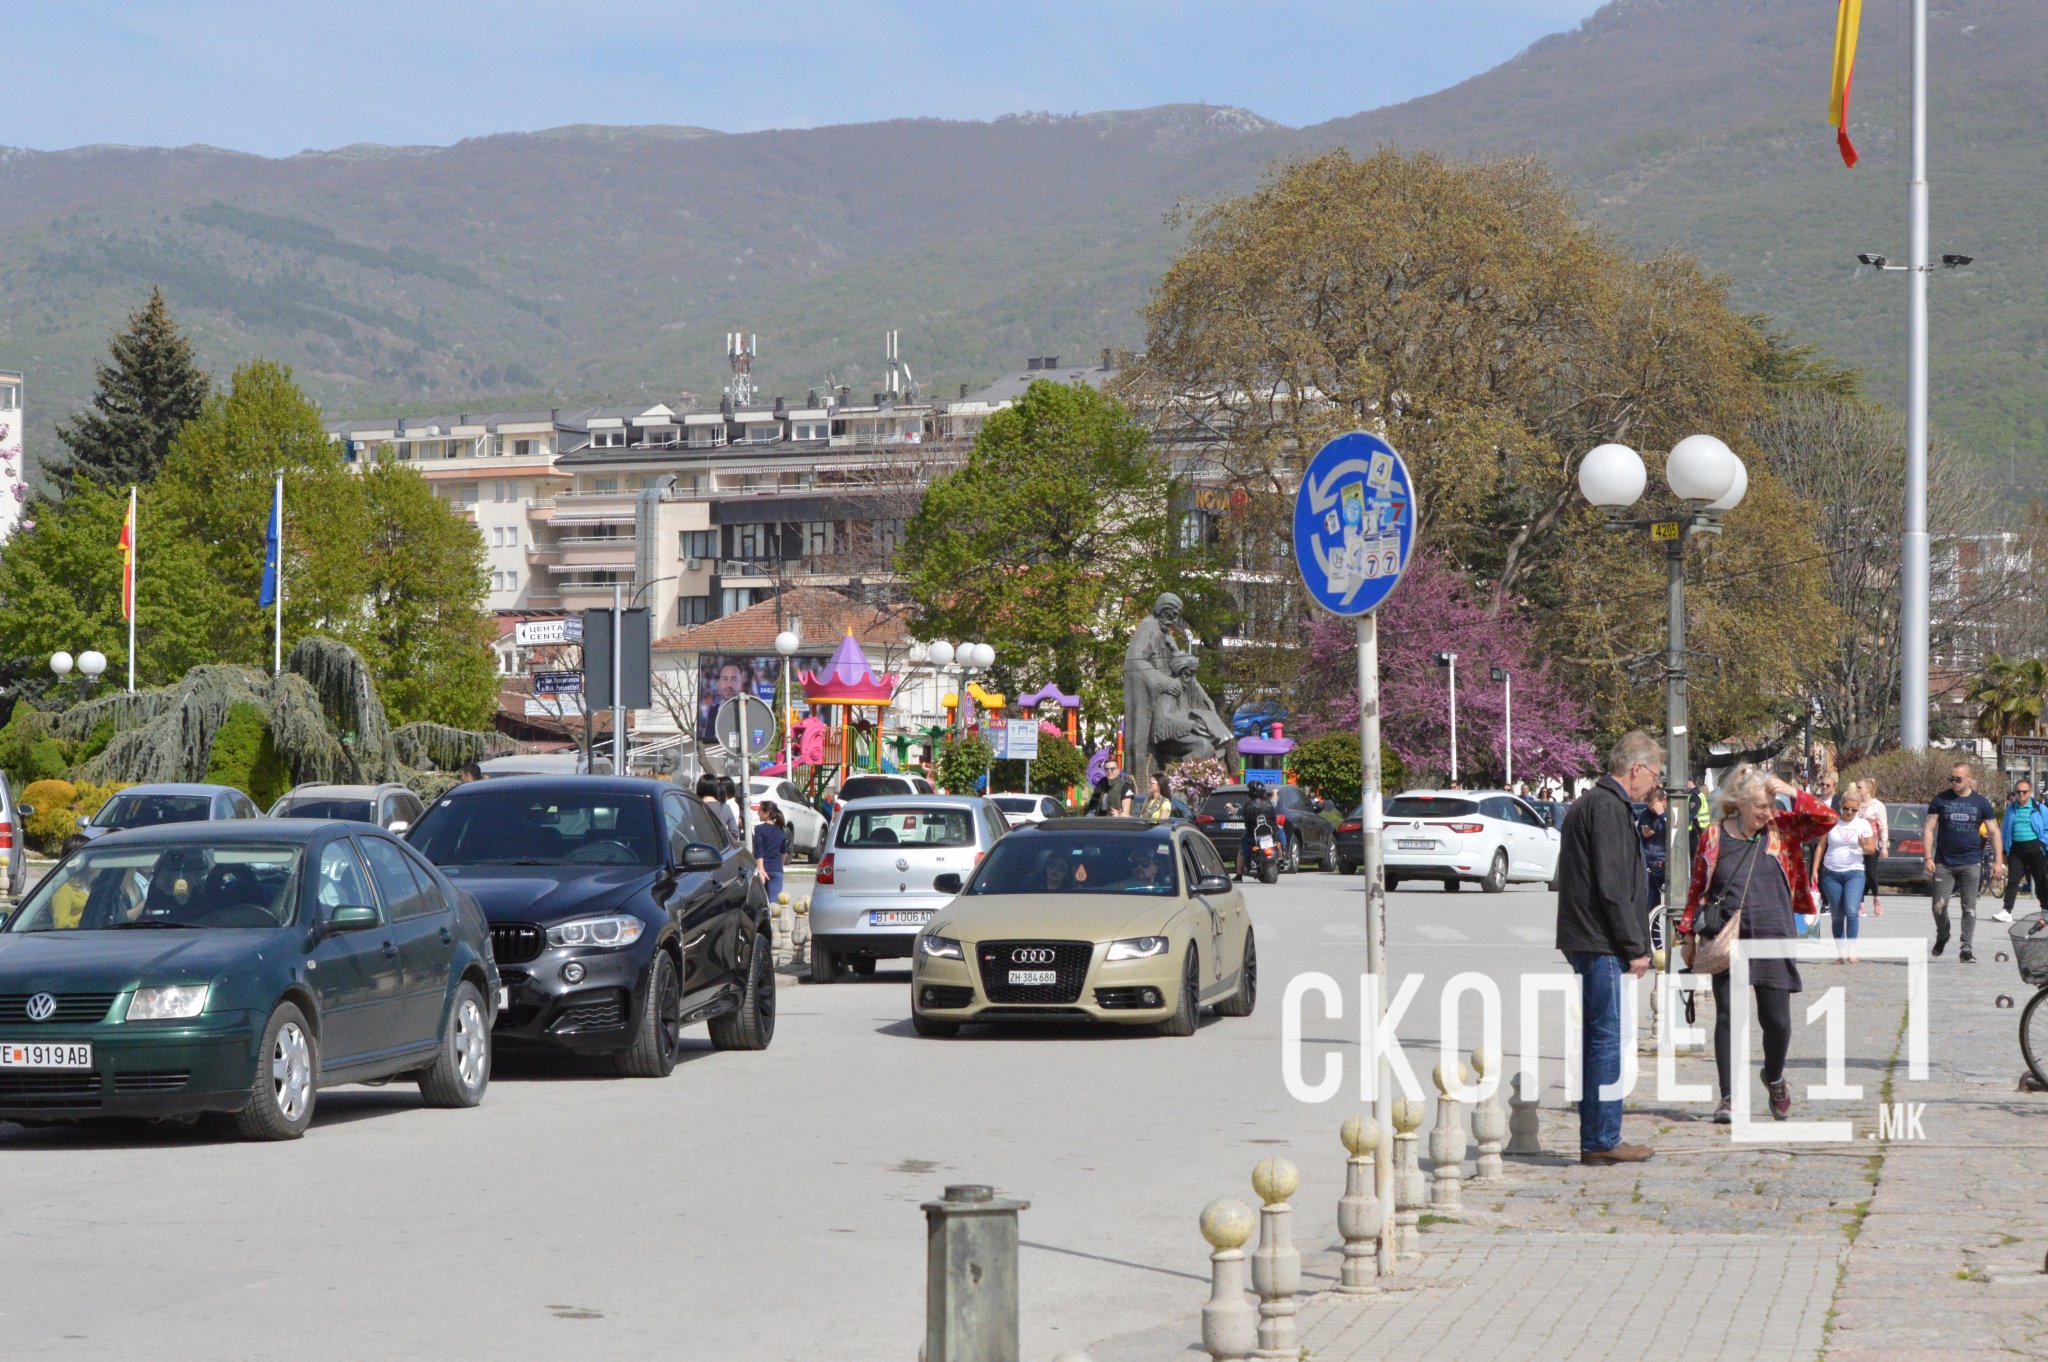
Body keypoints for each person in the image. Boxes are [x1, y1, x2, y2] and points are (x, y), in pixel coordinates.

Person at [1681, 765, 1837, 1124]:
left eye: (1771, 803)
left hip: (1774, 933)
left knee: (1777, 1021)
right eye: (1761, 805)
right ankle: (1729, 1098)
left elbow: (1826, 818)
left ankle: (1774, 1076)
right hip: (1728, 937)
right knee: (1727, 1017)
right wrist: (1687, 934)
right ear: (1738, 804)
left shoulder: (1781, 829)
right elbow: (1697, 887)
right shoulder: (1713, 836)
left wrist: (1791, 790)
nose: (1768, 811)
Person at [1553, 730, 1661, 1166]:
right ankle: (1601, 1139)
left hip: (1588, 936)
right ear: (1636, 769)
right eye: (1654, 774)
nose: (1655, 783)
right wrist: (1636, 946)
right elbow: (1613, 887)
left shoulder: (1592, 804)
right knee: (1606, 1039)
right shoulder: (1609, 808)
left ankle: (1599, 1134)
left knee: (1599, 1037)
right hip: (1599, 940)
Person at [1923, 759, 2001, 962]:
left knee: (1969, 907)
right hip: (1944, 863)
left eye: (1958, 779)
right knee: (1938, 906)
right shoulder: (1941, 800)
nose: (1954, 783)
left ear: (1968, 778)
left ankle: (1966, 948)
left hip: (1971, 862)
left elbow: (1994, 832)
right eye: (1951, 779)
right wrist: (1928, 856)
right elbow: (1929, 829)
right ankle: (1943, 934)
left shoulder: (1981, 803)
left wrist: (1998, 862)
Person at [1819, 785, 1878, 964]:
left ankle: (1852, 951)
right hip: (1831, 873)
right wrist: (1814, 870)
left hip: (1854, 873)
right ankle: (1841, 953)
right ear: (1840, 805)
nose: (1849, 812)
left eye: (1853, 809)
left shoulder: (1863, 824)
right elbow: (1821, 846)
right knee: (1837, 915)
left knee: (1852, 912)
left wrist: (1862, 846)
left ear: (1858, 808)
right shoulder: (1831, 822)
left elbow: (1870, 849)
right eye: (1846, 808)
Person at [1999, 777, 2048, 924]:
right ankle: (2007, 911)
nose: (2021, 795)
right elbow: (2005, 830)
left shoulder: (2040, 808)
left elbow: (2047, 828)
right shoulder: (2011, 809)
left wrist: (2042, 843)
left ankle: (2045, 910)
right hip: (2016, 849)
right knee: (2013, 880)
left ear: (2030, 792)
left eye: (2024, 792)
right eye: (2018, 792)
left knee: (2041, 880)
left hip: (2035, 847)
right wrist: (2003, 850)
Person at [1857, 778, 1888, 918]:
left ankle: (1876, 897)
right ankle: (1860, 904)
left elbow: (1883, 827)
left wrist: (1883, 846)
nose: (1857, 790)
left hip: (1871, 844)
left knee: (1870, 873)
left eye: (1859, 787)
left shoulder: (1878, 806)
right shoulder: (1856, 804)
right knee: (1858, 874)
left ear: (1867, 789)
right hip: (1857, 844)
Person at [1238, 780, 1276, 880]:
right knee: (1278, 840)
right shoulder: (1270, 804)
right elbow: (1274, 819)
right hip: (1270, 835)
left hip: (1253, 836)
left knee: (1242, 849)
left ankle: (1238, 875)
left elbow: (1246, 821)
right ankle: (1282, 856)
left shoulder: (1249, 805)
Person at [1638, 789, 1670, 909]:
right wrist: (1643, 834)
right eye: (1650, 807)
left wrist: (1662, 815)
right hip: (1650, 863)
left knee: (1672, 903)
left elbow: (1674, 835)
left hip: (1667, 863)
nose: (1653, 810)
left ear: (1664, 801)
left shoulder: (1670, 813)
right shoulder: (1645, 814)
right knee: (1651, 903)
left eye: (1655, 807)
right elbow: (1637, 838)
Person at [752, 803, 787, 904]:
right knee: (774, 905)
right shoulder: (781, 831)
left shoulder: (759, 829)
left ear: (767, 813)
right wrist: (780, 866)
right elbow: (784, 852)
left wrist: (761, 869)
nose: (758, 813)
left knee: (761, 904)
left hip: (764, 869)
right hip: (777, 870)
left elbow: (759, 851)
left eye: (760, 811)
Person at [697, 772, 740, 842]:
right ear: (716, 788)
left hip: (696, 848)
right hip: (719, 849)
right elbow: (735, 832)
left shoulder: (693, 806)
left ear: (699, 788)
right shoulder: (725, 807)